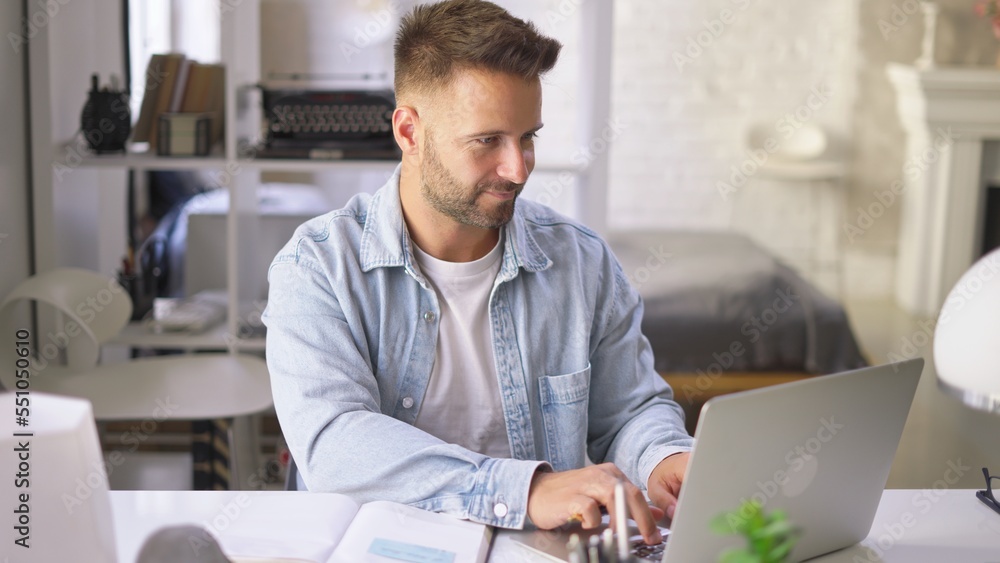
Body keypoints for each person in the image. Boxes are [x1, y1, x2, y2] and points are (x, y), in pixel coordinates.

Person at [262, 0, 693, 545]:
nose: (516, 169)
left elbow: (629, 411)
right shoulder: (317, 268)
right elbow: (334, 445)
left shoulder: (582, 263)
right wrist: (525, 491)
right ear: (410, 132)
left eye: (528, 137)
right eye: (487, 141)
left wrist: (664, 459)